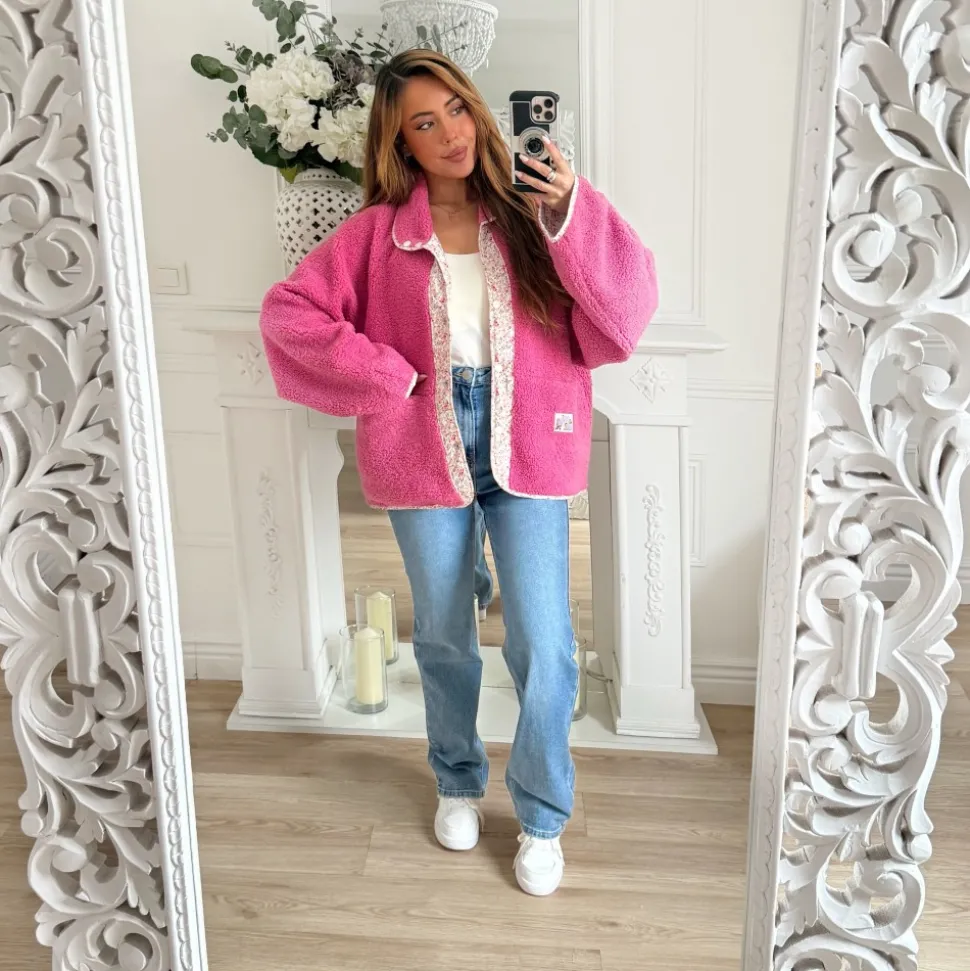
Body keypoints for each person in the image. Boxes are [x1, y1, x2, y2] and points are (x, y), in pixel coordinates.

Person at [259, 49, 658, 896]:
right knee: (443, 630)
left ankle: (542, 814)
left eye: (457, 110)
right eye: (424, 122)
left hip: (528, 434)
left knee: (544, 641)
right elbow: (288, 313)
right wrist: (384, 374)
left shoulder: (529, 213)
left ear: (479, 110)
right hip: (421, 432)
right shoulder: (376, 235)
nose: (450, 133)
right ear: (399, 142)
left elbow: (625, 307)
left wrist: (569, 207)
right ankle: (456, 777)